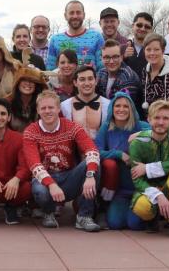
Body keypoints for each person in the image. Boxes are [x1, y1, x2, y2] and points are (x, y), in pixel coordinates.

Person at [23, 90, 101, 232]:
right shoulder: (31, 131)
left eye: (51, 107)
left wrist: (90, 176)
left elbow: (92, 150)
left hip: (68, 176)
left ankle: (84, 216)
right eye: (43, 108)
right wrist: (51, 185)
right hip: (44, 180)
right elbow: (34, 165)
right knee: (40, 190)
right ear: (38, 110)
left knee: (92, 164)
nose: (47, 111)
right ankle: (48, 212)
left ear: (58, 109)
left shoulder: (72, 127)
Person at [128, 98, 169, 239]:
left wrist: (148, 168)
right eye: (156, 118)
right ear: (149, 119)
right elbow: (137, 180)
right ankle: (153, 217)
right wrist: (158, 195)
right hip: (150, 189)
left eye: (165, 118)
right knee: (141, 207)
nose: (161, 122)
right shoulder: (137, 143)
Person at [94, 92, 151, 231]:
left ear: (131, 109)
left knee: (135, 225)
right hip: (120, 189)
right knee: (115, 224)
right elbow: (97, 151)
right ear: (112, 108)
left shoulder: (140, 126)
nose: (121, 109)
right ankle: (109, 207)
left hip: (140, 186)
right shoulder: (106, 127)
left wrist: (138, 135)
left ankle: (151, 213)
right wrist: (119, 154)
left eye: (126, 106)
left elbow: (158, 132)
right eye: (117, 105)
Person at [46, 0, 104, 70]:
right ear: (65, 16)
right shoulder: (55, 40)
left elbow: (102, 67)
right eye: (71, 13)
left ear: (84, 15)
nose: (75, 16)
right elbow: (50, 70)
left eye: (78, 13)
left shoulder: (96, 37)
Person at [142, 33, 169, 123]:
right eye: (148, 49)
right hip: (151, 124)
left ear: (163, 50)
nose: (152, 53)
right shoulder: (145, 72)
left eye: (156, 49)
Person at [60, 65, 110, 140]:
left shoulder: (108, 105)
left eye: (90, 79)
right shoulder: (64, 106)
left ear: (96, 81)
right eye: (82, 79)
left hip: (100, 150)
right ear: (75, 83)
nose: (87, 83)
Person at [97, 39, 144, 110]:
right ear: (101, 59)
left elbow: (122, 109)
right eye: (106, 57)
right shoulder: (101, 73)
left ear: (121, 57)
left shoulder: (128, 77)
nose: (111, 61)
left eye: (115, 57)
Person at [7, 65, 48, 132]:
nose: (28, 83)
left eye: (31, 81)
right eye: (24, 80)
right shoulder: (7, 102)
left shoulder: (43, 103)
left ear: (36, 85)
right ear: (17, 83)